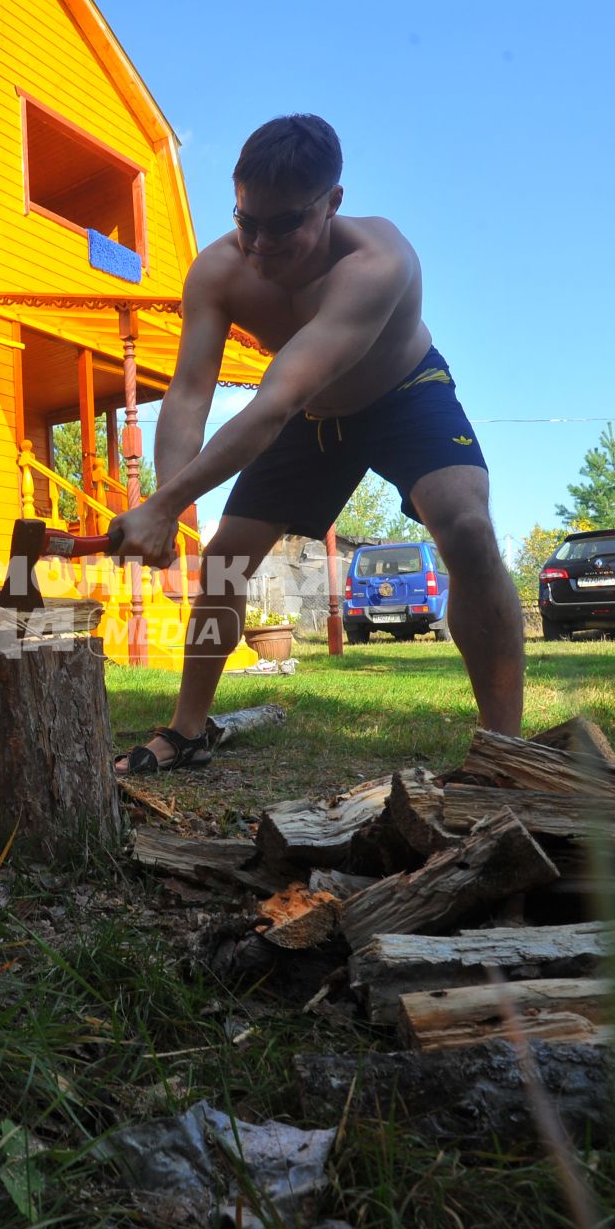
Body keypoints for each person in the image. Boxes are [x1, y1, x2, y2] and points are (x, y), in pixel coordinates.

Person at [105, 114, 524, 774]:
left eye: (285, 224)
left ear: (332, 204)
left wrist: (164, 506)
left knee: (467, 526)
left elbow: (272, 404)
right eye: (248, 221)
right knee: (225, 560)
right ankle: (187, 730)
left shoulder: (378, 263)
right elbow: (189, 395)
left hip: (402, 392)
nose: (262, 245)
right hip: (311, 412)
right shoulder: (218, 271)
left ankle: (505, 747)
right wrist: (166, 503)